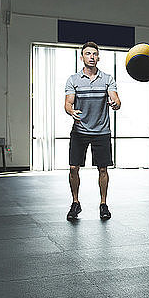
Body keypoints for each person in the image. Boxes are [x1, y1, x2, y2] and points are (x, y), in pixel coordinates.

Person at [64, 42, 121, 221]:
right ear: (82, 57)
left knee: (103, 169)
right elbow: (68, 103)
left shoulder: (107, 78)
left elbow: (116, 100)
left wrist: (115, 104)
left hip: (101, 131)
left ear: (98, 57)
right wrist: (71, 111)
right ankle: (75, 203)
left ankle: (103, 204)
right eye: (88, 54)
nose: (92, 56)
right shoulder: (73, 79)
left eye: (94, 54)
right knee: (74, 168)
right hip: (79, 131)